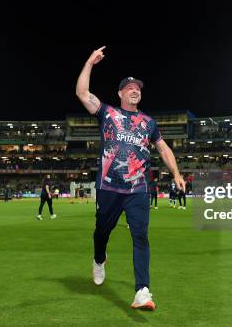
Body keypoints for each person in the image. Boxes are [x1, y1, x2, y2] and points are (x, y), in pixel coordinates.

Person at [76, 46, 185, 310]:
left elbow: (162, 148)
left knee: (141, 236)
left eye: (138, 88)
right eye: (130, 88)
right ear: (121, 93)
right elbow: (82, 93)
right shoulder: (108, 113)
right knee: (102, 231)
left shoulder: (149, 122)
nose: (135, 90)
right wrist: (90, 62)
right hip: (108, 187)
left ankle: (142, 291)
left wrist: (176, 173)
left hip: (138, 188)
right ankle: (99, 258)